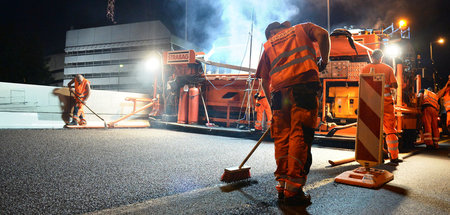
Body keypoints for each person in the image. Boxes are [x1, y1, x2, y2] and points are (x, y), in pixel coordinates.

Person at [256, 21, 330, 205]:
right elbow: (323, 35)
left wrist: (273, 100)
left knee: (282, 138)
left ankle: (282, 185)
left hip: (279, 94)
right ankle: (294, 190)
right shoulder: (301, 28)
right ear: (279, 29)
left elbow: (264, 82)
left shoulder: (268, 46)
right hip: (303, 86)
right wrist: (324, 61)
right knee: (300, 134)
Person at [360, 49, 401, 164]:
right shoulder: (388, 68)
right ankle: (394, 157)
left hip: (371, 104)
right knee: (390, 130)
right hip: (386, 103)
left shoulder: (364, 69)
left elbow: (361, 85)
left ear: (372, 57)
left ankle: (374, 156)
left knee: (372, 130)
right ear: (381, 57)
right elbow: (395, 85)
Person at [418, 80, 450, 149]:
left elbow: (420, 97)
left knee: (427, 125)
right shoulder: (435, 95)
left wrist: (419, 107)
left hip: (427, 107)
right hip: (435, 110)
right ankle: (436, 143)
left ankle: (429, 144)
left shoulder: (423, 90)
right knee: (435, 127)